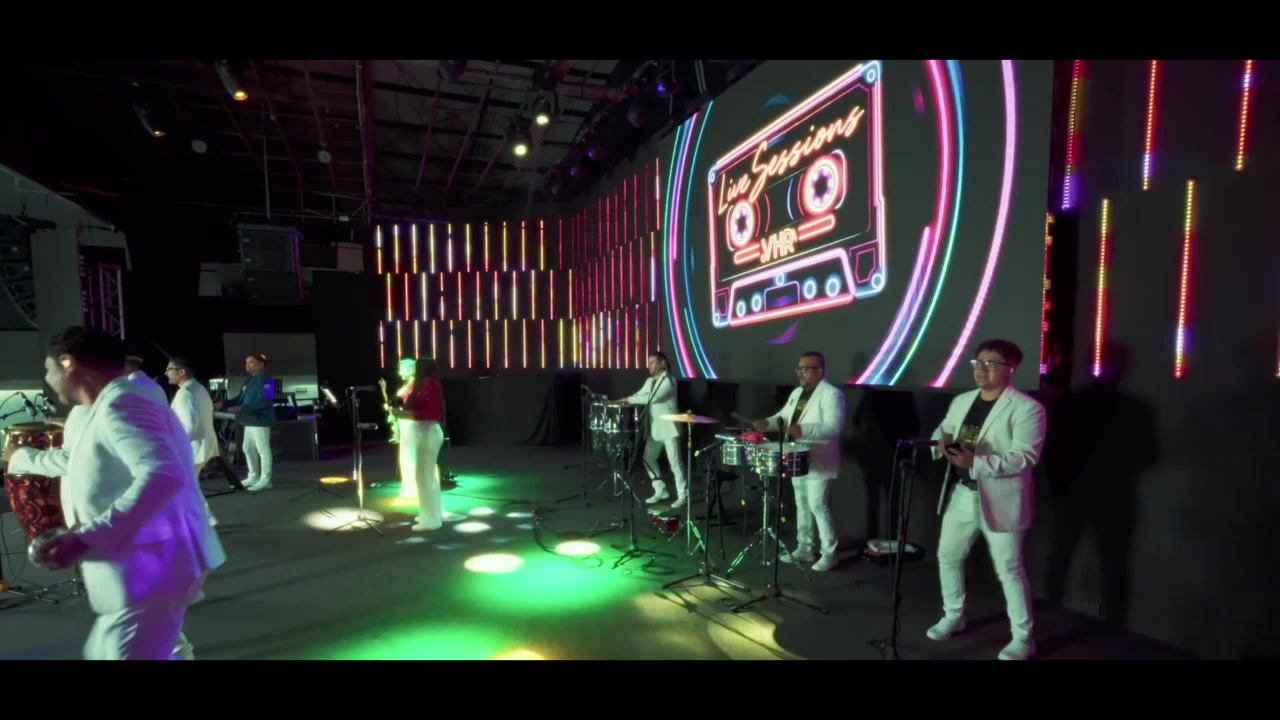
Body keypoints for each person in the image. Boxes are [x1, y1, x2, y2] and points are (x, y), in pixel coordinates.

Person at [11, 326, 225, 660]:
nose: (48, 379)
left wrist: (86, 537)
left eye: (48, 369)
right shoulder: (112, 403)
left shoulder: (123, 402)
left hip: (152, 568)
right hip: (141, 569)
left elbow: (162, 474)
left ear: (68, 362)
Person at [926, 339, 1046, 661]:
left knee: (1009, 569)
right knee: (947, 556)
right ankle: (953, 615)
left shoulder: (1028, 408)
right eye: (977, 363)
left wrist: (975, 462)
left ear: (1011, 368)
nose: (981, 370)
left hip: (1002, 498)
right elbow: (943, 430)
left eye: (990, 364)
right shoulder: (962, 400)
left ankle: (1023, 638)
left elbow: (1025, 457)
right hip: (962, 494)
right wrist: (942, 442)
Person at [751, 351, 846, 572]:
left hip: (820, 460)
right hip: (798, 457)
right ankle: (805, 548)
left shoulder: (832, 394)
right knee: (802, 504)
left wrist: (802, 430)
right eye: (799, 369)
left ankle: (830, 553)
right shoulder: (797, 392)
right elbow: (784, 417)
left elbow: (834, 428)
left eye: (805, 369)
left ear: (819, 371)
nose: (800, 373)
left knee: (817, 505)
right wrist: (767, 422)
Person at [618, 351, 687, 508]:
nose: (649, 366)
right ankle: (660, 489)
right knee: (648, 458)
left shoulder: (669, 381)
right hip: (656, 429)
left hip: (670, 429)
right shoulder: (650, 381)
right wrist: (625, 400)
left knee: (675, 463)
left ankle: (683, 494)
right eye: (648, 363)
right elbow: (640, 395)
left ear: (662, 363)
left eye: (652, 362)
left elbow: (653, 398)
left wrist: (629, 399)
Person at [165, 355, 227, 526]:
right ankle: (204, 517)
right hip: (201, 445)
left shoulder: (185, 393)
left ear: (181, 372)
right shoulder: (199, 388)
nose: (166, 373)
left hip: (191, 447)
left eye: (169, 369)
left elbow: (190, 426)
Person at [392, 356, 446, 531]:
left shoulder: (430, 385)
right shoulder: (424, 384)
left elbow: (430, 414)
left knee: (425, 476)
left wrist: (404, 414)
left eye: (416, 367)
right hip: (424, 432)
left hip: (428, 432)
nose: (414, 370)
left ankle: (431, 519)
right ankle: (429, 514)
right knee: (425, 476)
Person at [216, 353, 275, 492]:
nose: (247, 365)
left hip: (260, 419)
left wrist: (242, 408)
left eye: (251, 362)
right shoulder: (249, 380)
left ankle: (265, 480)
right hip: (248, 420)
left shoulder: (267, 379)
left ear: (261, 364)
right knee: (247, 448)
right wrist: (223, 404)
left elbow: (266, 400)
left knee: (263, 450)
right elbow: (239, 399)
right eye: (246, 363)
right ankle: (253, 476)